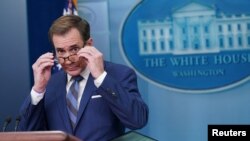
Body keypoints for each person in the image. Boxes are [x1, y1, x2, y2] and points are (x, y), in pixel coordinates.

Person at [18, 15, 149, 141]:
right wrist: (38, 89)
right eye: (61, 51)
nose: (68, 60)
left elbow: (138, 120)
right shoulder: (50, 84)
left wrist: (101, 77)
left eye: (74, 49)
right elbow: (26, 134)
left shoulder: (118, 74)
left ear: (89, 44)